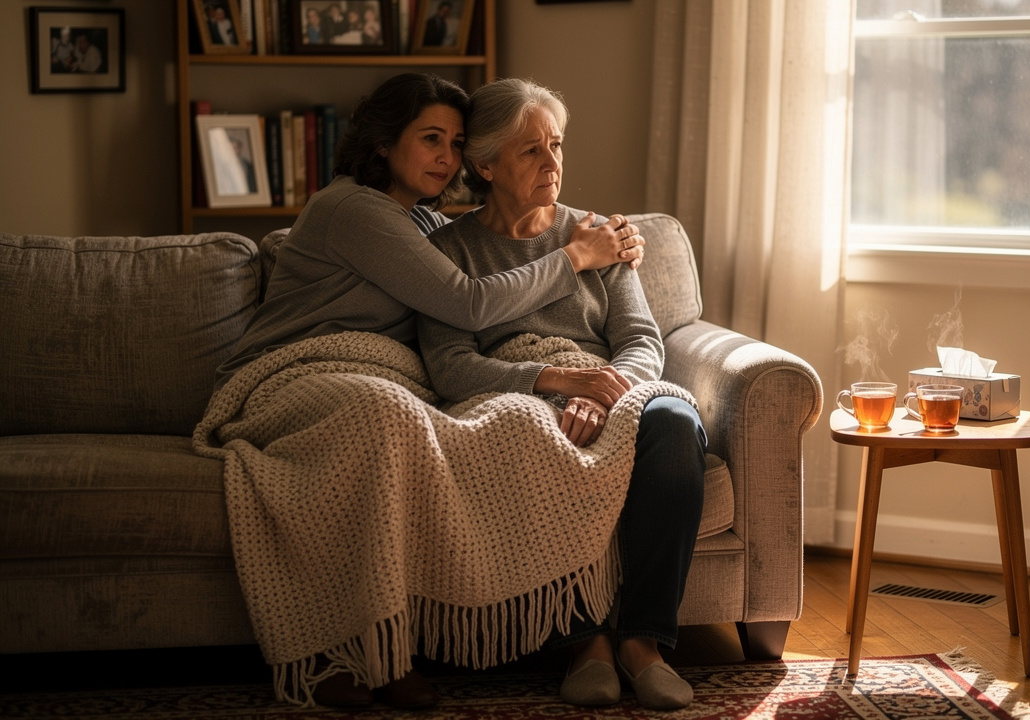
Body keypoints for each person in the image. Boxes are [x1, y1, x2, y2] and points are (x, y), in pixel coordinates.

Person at [211, 73, 645, 709]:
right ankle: (357, 653)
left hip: (367, 377)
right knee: (387, 413)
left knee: (422, 420)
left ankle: (397, 643)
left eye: (456, 143)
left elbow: (493, 265)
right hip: (288, 374)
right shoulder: (353, 208)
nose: (448, 158)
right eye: (431, 140)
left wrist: (589, 245)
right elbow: (463, 302)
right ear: (386, 144)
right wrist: (575, 259)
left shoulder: (422, 220)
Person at [418, 78, 705, 711]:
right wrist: (555, 384)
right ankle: (585, 643)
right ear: (484, 164)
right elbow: (451, 367)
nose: (554, 165)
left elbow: (639, 339)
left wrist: (604, 392)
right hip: (519, 394)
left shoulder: (600, 235)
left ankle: (643, 642)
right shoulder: (448, 252)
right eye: (531, 152)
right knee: (530, 429)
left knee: (674, 422)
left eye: (557, 145)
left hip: (608, 385)